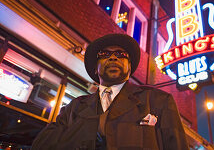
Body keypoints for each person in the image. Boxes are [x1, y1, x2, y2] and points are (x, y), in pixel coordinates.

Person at [31, 34, 189, 150]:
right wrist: (93, 129)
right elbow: (41, 145)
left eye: (121, 55)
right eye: (105, 55)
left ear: (129, 67)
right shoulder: (76, 106)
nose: (113, 58)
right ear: (95, 68)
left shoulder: (157, 100)